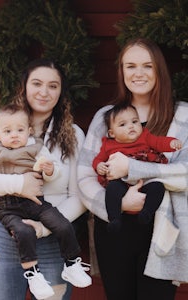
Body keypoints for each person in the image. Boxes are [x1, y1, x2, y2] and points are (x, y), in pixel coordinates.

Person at [77, 37, 188, 300]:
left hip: (162, 231)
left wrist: (132, 167)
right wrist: (118, 203)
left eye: (147, 66)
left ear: (159, 70)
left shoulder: (182, 115)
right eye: (131, 66)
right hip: (114, 230)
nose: (138, 73)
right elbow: (83, 176)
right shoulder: (107, 117)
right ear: (122, 71)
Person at [0, 58, 90, 300]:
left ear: (60, 93)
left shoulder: (73, 135)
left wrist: (43, 229)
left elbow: (80, 196)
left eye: (53, 86)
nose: (44, 92)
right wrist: (19, 185)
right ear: (24, 86)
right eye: (37, 83)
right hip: (3, 234)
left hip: (53, 239)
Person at [92, 103, 182, 231]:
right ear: (112, 133)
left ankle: (147, 213)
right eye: (123, 124)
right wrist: (99, 165)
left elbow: (159, 142)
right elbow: (98, 160)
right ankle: (114, 218)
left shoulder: (145, 137)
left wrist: (171, 142)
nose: (131, 126)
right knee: (112, 189)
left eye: (134, 121)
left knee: (158, 187)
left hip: (145, 181)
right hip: (121, 183)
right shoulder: (108, 145)